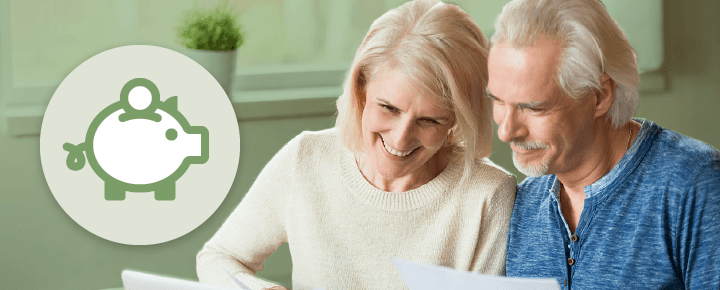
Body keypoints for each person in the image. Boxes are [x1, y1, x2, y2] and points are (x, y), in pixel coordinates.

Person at [197, 1, 516, 289]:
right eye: (388, 108)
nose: (401, 138)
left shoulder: (489, 196)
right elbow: (219, 257)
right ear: (361, 90)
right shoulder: (306, 158)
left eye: (430, 120)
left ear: (456, 121)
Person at [485, 0, 720, 289]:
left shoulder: (697, 185)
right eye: (497, 100)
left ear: (600, 96)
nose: (506, 132)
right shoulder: (522, 204)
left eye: (533, 108)